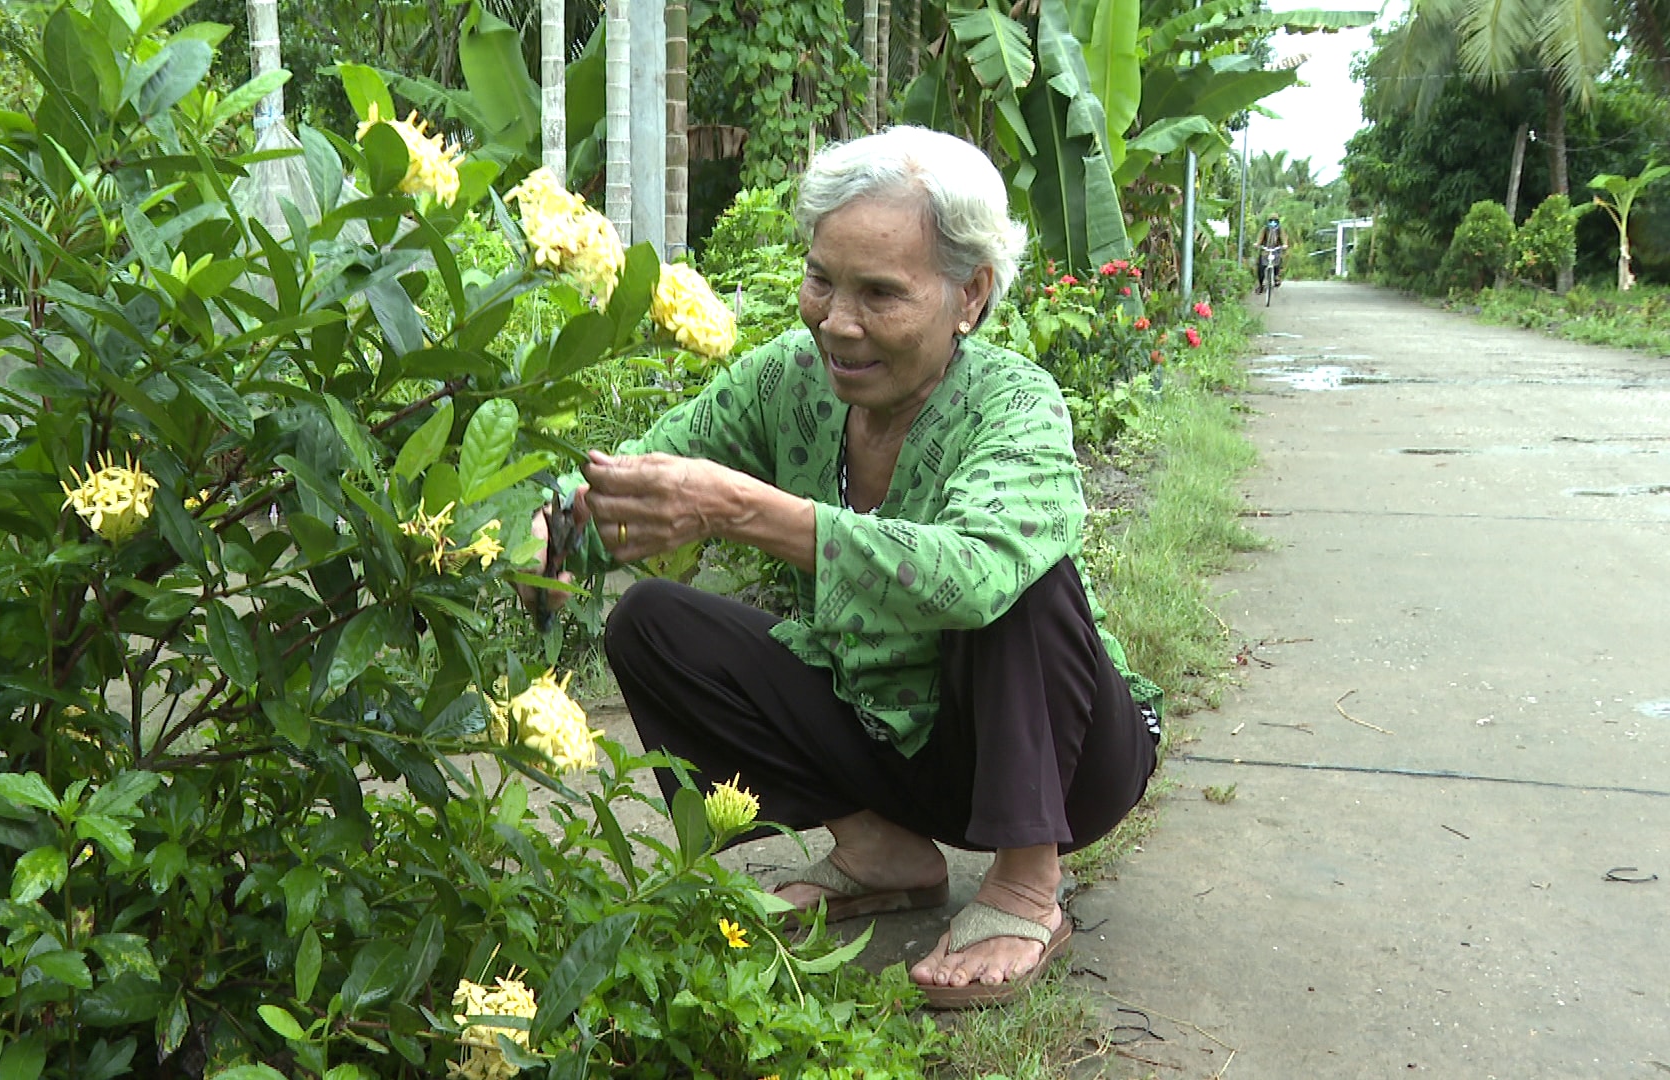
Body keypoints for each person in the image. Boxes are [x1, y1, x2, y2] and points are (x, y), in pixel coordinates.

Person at [528, 126, 1161, 1009]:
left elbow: (977, 576)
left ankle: (1024, 882)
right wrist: (542, 525)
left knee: (1020, 579)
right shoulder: (792, 376)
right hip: (881, 734)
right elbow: (650, 471)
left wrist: (751, 512)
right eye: (823, 278)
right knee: (654, 626)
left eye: (881, 293)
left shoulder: (1015, 402)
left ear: (969, 295)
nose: (838, 320)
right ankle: (879, 851)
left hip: (1058, 757)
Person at [1255, 216, 1286, 293]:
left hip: (1276, 249)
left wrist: (1285, 244)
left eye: (1275, 221)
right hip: (1266, 249)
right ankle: (1261, 285)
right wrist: (1257, 244)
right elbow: (1260, 237)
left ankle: (1276, 277)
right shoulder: (1265, 229)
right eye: (1271, 221)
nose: (1273, 223)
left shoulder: (1279, 229)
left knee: (1278, 262)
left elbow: (1283, 237)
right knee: (1260, 267)